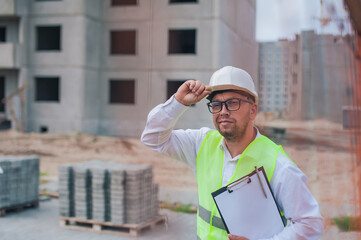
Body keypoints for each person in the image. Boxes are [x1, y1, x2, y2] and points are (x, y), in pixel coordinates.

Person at [141, 66, 324, 240]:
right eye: (217, 104)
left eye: (232, 103)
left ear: (252, 111)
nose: (223, 111)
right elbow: (152, 137)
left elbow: (310, 223)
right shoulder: (201, 143)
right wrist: (178, 103)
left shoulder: (277, 164)